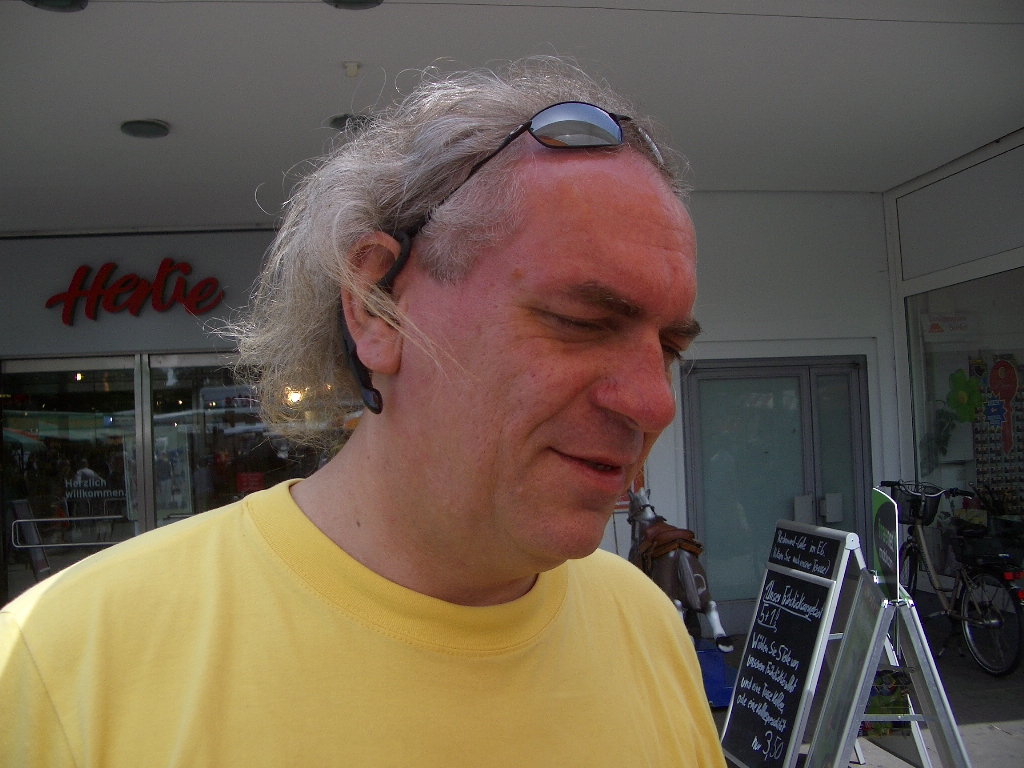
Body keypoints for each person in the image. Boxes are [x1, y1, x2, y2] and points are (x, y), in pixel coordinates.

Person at [0, 58, 722, 767]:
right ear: (377, 306)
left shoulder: (647, 627)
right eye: (580, 322)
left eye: (668, 348)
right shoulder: (59, 664)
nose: (654, 402)